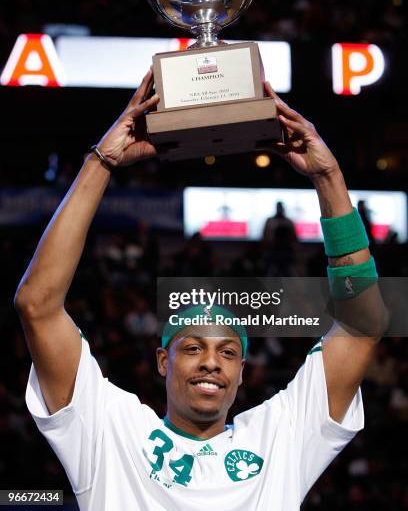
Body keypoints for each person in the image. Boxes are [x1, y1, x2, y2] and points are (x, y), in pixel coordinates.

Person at [15, 70, 382, 510]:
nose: (212, 363)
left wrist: (328, 177)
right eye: (193, 348)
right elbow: (36, 305)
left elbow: (363, 323)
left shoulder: (283, 435)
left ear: (243, 371)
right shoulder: (108, 430)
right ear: (162, 361)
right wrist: (102, 162)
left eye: (228, 352)